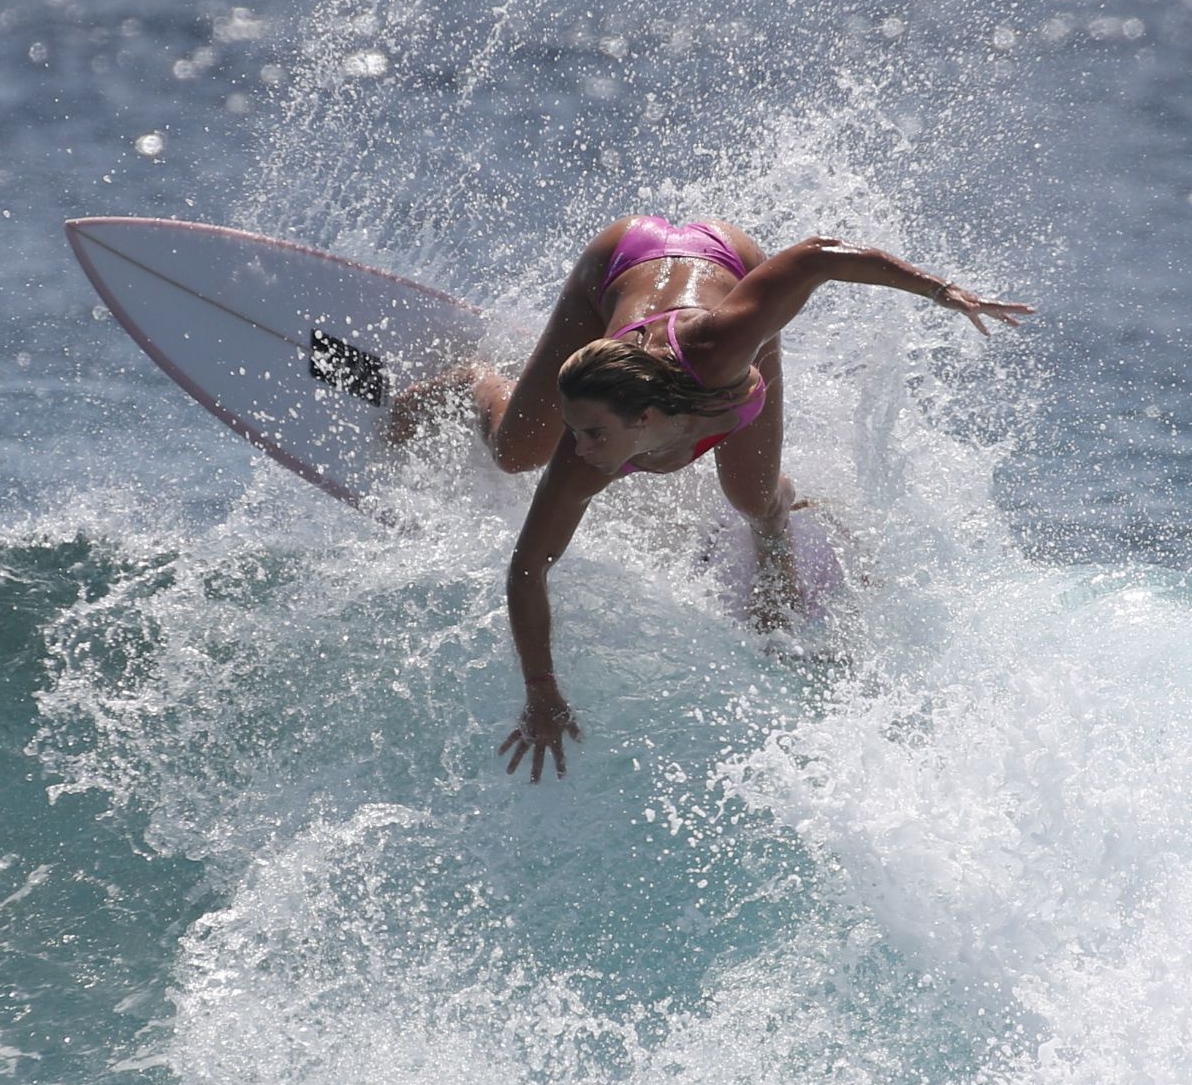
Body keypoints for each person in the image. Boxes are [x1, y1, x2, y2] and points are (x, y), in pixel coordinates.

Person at [391, 216, 1030, 782]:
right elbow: (529, 567)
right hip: (616, 265)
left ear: (646, 420)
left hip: (725, 261)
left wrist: (942, 292)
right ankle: (475, 381)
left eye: (593, 433)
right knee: (516, 453)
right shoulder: (588, 458)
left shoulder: (719, 349)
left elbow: (816, 257)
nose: (578, 449)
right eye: (578, 431)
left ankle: (776, 556)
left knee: (754, 497)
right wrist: (541, 690)